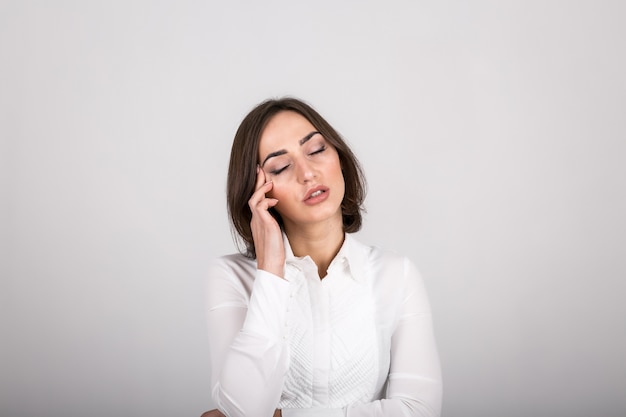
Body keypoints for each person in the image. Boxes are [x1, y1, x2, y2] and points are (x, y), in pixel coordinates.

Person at [202, 97, 442, 417]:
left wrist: (283, 416)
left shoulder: (396, 275)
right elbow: (241, 409)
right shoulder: (230, 276)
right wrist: (270, 271)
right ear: (257, 191)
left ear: (339, 158)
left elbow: (419, 410)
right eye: (281, 166)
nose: (308, 173)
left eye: (316, 150)